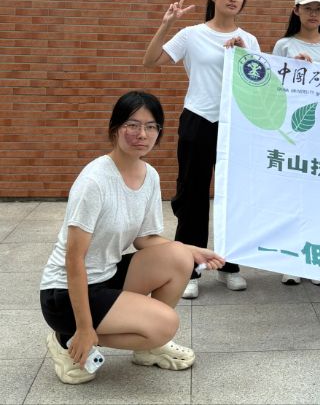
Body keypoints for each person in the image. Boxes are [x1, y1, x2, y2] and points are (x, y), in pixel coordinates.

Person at [39, 91, 225, 384]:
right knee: (165, 325)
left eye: (151, 127)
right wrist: (85, 328)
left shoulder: (150, 175)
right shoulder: (94, 181)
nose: (142, 134)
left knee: (178, 256)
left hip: (107, 275)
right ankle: (68, 337)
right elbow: (74, 260)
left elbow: (145, 239)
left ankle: (146, 348)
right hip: (64, 293)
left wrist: (191, 250)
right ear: (115, 129)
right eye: (132, 125)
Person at [144, 0, 260, 298]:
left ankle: (229, 266)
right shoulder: (191, 34)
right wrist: (166, 24)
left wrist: (244, 55)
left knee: (231, 196)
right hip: (198, 119)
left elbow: (256, 85)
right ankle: (190, 269)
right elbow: (150, 61)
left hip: (234, 124)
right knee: (193, 195)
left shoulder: (249, 40)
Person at [273, 0, 320, 286]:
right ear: (296, 10)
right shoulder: (284, 45)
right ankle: (290, 259)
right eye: (307, 8)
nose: (313, 14)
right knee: (293, 194)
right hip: (293, 130)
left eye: (318, 9)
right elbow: (274, 85)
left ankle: (316, 260)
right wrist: (294, 69)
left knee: (319, 195)